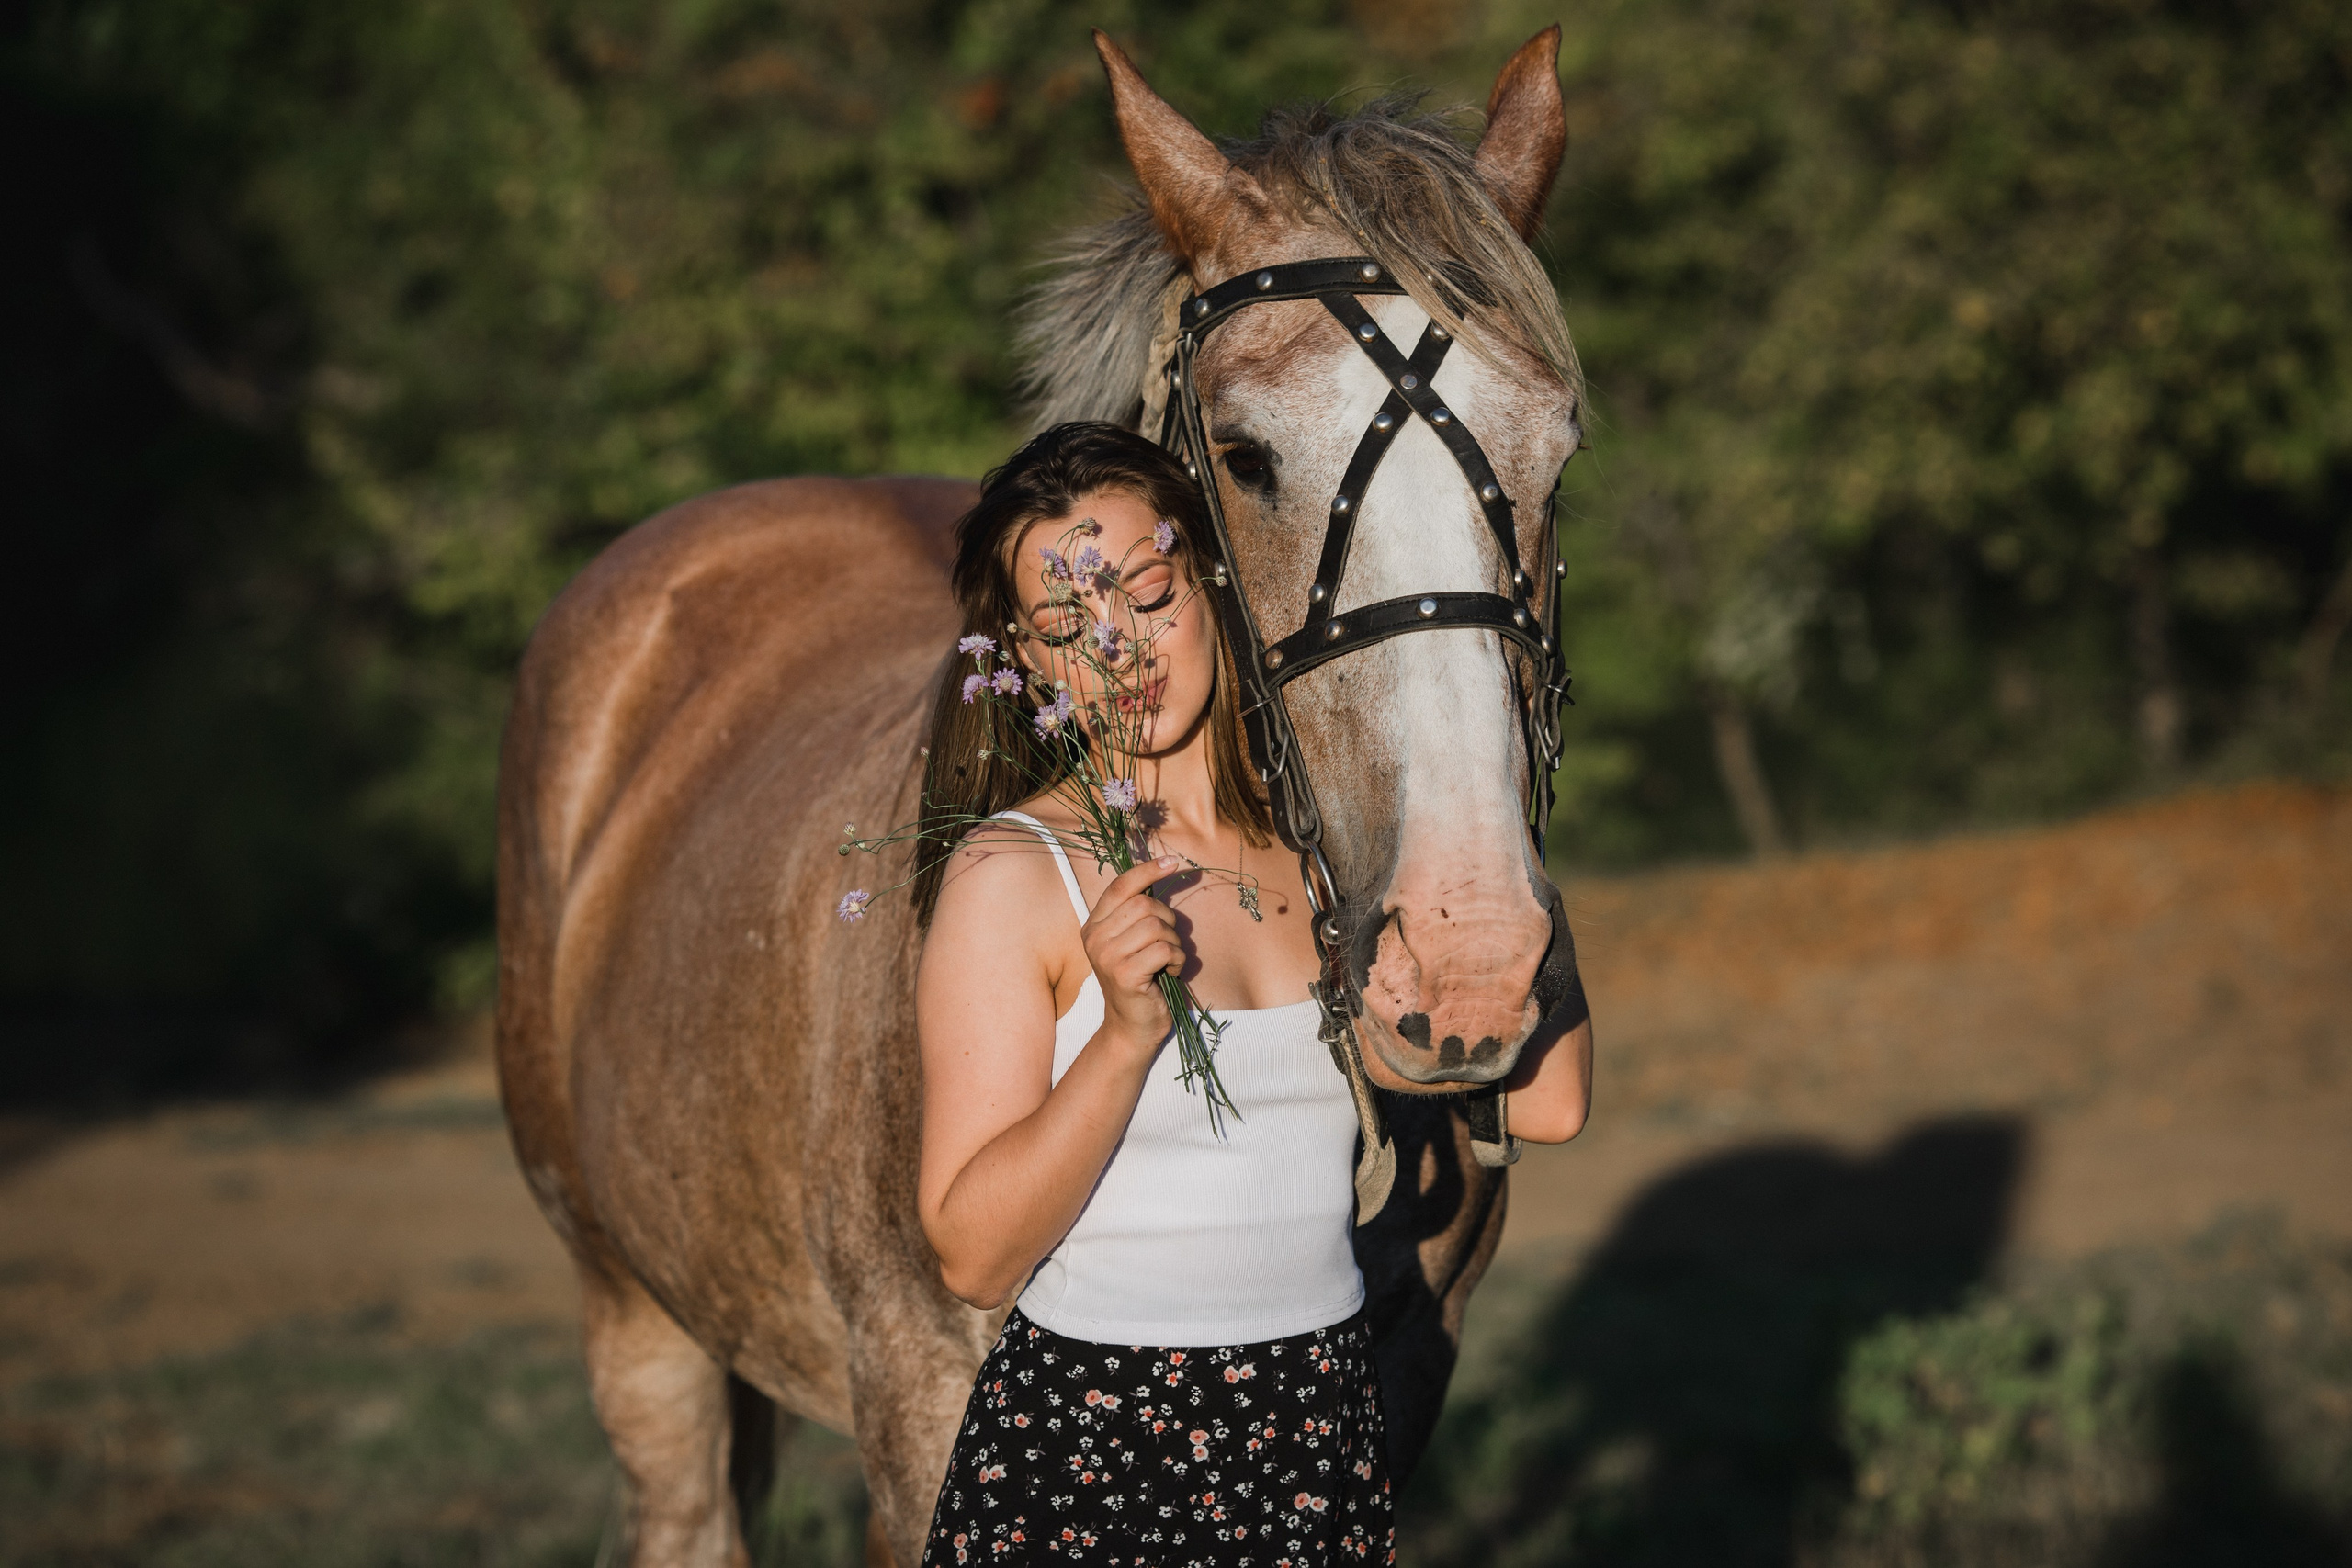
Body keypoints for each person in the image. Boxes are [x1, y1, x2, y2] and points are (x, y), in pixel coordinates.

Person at [911, 422, 1583, 1566]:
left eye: (1148, 591)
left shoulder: (1320, 858)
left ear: (1215, 586)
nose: (1119, 647)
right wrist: (1124, 1039)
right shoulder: (1013, 872)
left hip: (1315, 1427)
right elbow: (971, 1257)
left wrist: (1488, 831)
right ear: (1022, 662)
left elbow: (1545, 1104)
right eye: (1069, 624)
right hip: (1095, 1443)